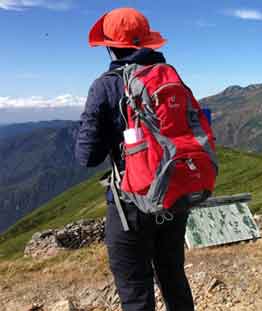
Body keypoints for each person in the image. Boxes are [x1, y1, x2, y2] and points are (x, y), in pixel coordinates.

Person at [75, 8, 195, 311]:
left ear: (109, 45)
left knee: (135, 286)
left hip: (131, 201)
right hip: (174, 192)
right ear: (148, 42)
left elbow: (87, 156)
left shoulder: (105, 85)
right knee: (173, 275)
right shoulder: (171, 77)